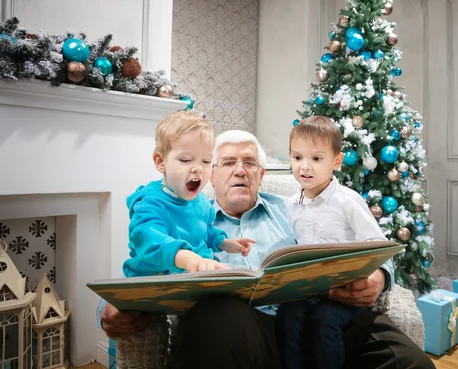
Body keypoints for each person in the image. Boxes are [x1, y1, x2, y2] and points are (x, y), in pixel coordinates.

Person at [99, 129, 435, 369]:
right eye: (228, 163)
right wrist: (109, 306)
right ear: (210, 176)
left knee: (408, 361)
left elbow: (357, 245)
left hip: (313, 324)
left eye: (248, 163)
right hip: (241, 335)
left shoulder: (297, 208)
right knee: (217, 316)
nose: (240, 170)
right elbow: (144, 255)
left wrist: (378, 275)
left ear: (260, 175)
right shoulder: (186, 216)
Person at [276, 116, 389, 369]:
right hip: (307, 291)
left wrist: (371, 277)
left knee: (324, 320)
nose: (305, 166)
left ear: (336, 161)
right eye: (297, 158)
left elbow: (377, 244)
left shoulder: (347, 201)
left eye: (316, 159)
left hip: (343, 292)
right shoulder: (289, 205)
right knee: (288, 314)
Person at [123, 111, 254, 277]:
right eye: (185, 160)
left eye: (206, 161)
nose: (198, 168)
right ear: (160, 162)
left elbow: (204, 232)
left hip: (196, 277)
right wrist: (188, 258)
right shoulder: (150, 203)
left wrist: (224, 243)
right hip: (155, 282)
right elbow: (149, 239)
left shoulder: (202, 202)